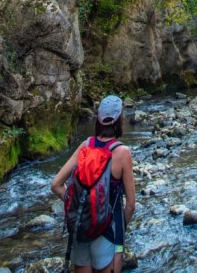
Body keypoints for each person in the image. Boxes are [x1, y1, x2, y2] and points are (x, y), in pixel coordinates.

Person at [51, 94, 136, 273]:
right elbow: (130, 205)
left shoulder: (85, 145)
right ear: (119, 119)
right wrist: (121, 228)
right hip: (109, 232)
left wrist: (74, 202)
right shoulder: (122, 153)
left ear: (98, 119)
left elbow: (56, 185)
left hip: (81, 231)